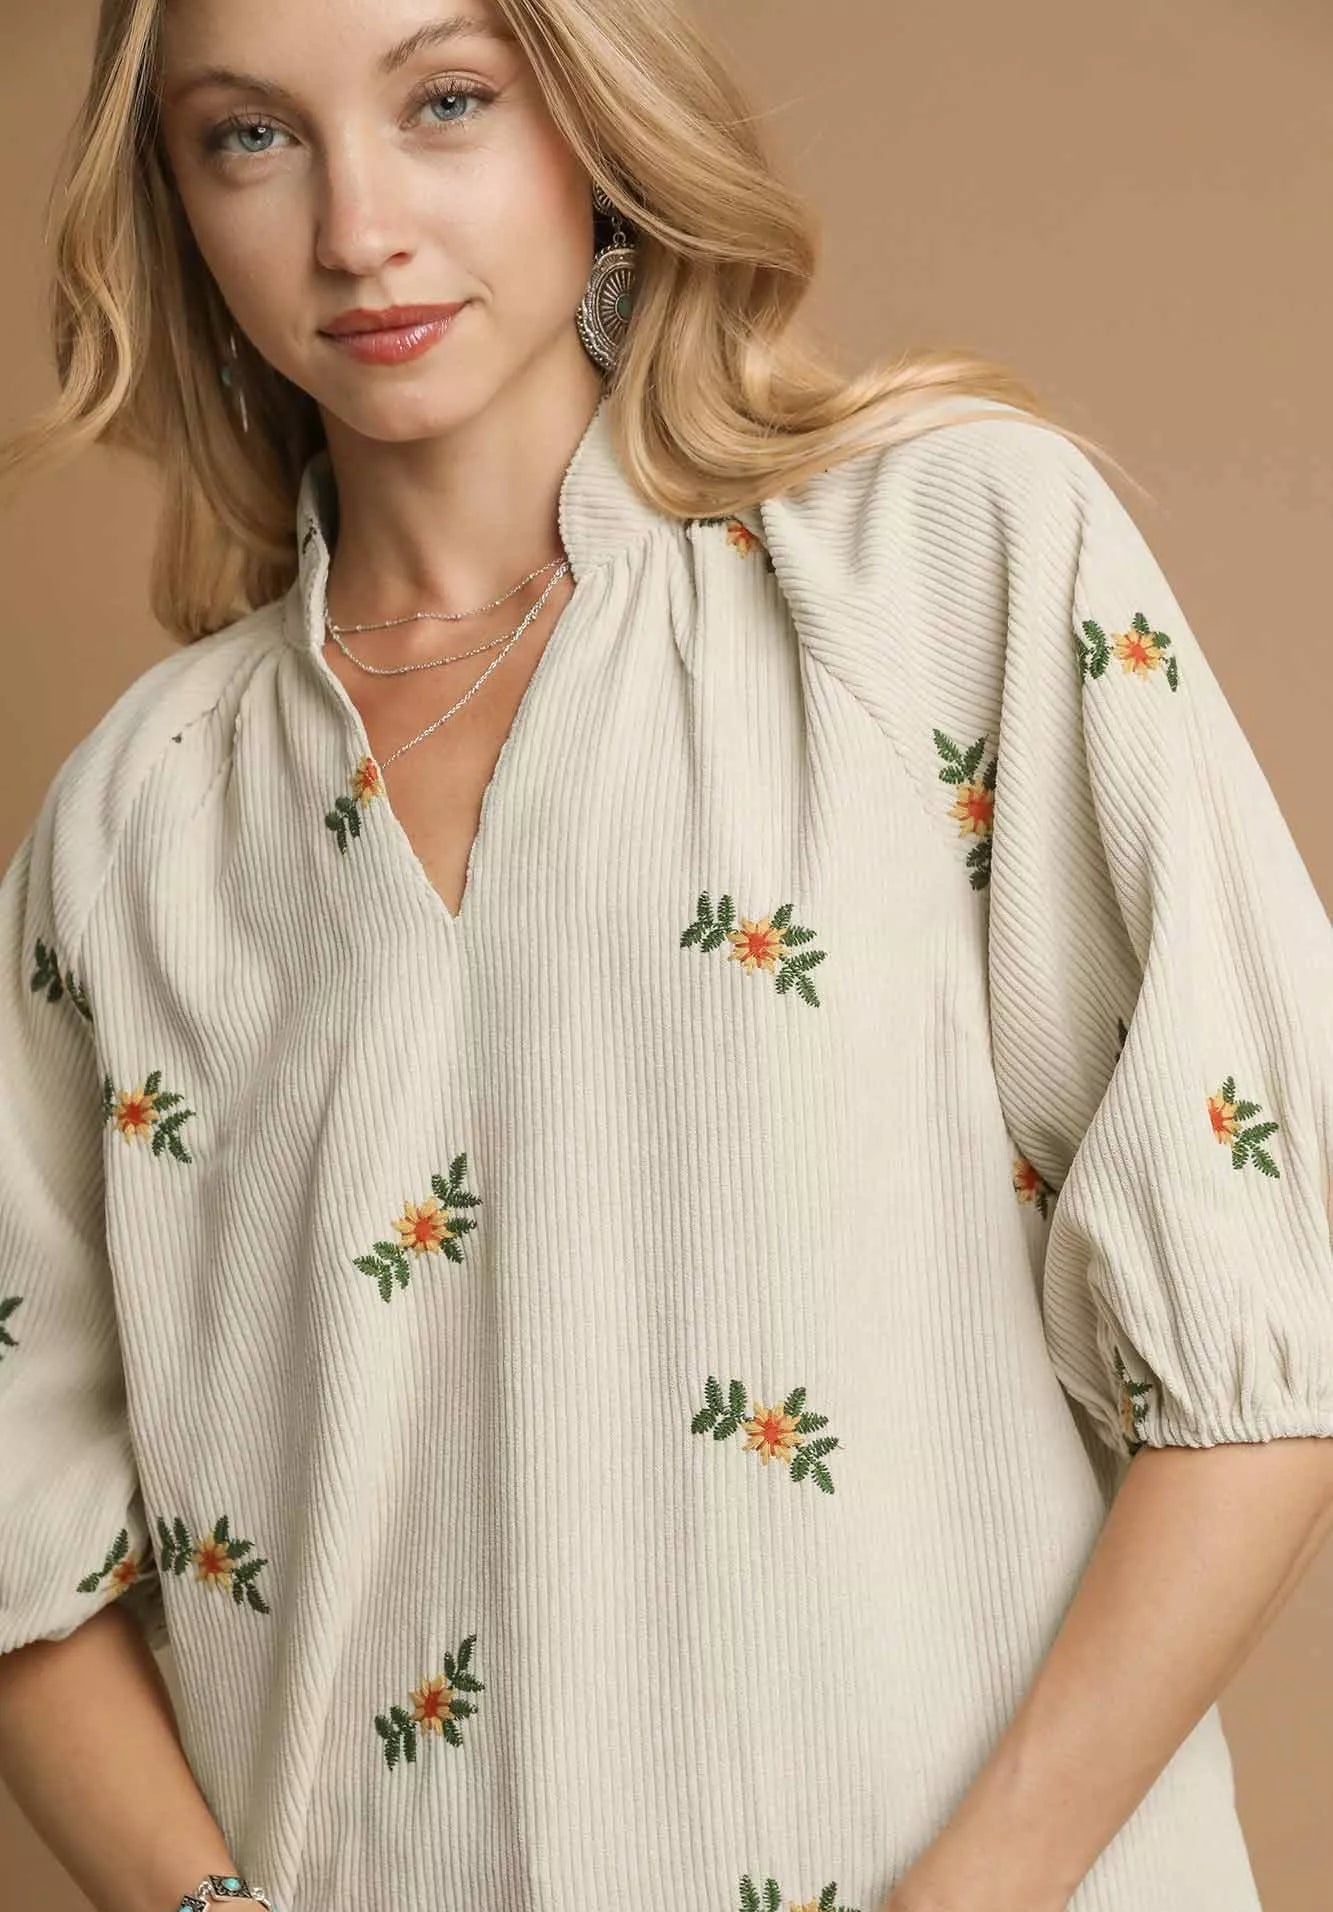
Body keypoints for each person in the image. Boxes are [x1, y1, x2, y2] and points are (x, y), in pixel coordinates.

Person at [1, 1, 1331, 1910]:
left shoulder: (943, 562)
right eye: (249, 139)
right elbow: (18, 1515)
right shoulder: (135, 820)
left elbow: (1266, 1307)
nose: (357, 226)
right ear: (176, 201)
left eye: (444, 100)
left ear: (591, 120)